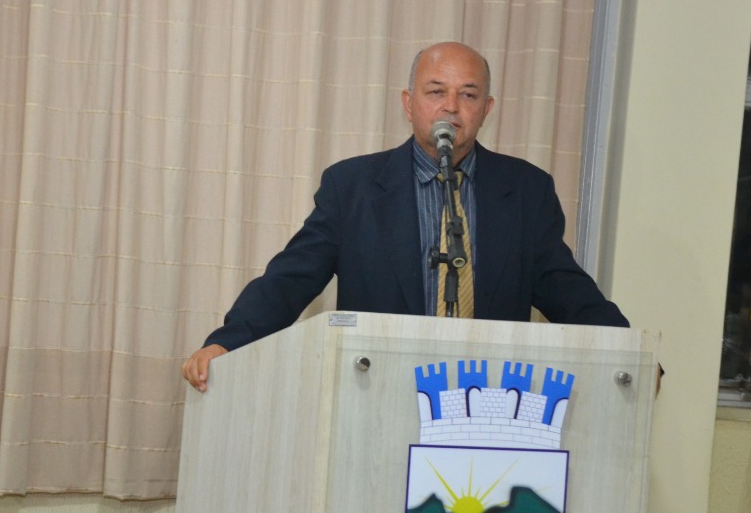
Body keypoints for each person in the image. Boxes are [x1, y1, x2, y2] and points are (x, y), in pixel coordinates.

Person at [182, 42, 628, 392]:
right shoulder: (353, 186)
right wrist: (227, 342)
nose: (451, 106)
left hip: (485, 399)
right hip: (377, 390)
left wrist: (629, 354)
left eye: (468, 94)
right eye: (436, 92)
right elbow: (291, 278)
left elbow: (565, 288)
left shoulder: (526, 190)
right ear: (409, 103)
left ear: (486, 109)